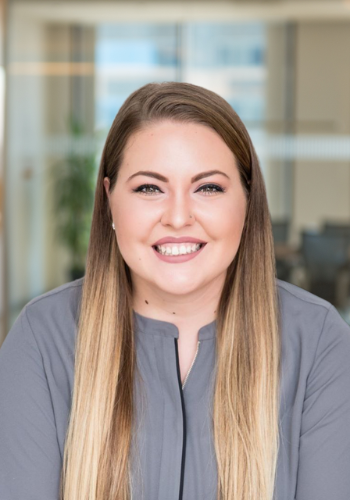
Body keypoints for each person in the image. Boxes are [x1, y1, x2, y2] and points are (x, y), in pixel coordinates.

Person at [1, 82, 350, 500]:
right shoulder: (42, 339)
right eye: (150, 188)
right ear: (110, 199)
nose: (179, 217)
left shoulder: (318, 341)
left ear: (247, 200)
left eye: (209, 187)